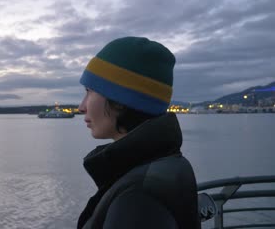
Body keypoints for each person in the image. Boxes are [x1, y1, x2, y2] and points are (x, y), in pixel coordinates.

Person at [77, 37, 201, 228]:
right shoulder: (165, 162)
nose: (81, 107)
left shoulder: (138, 196)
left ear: (119, 100)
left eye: (90, 91)